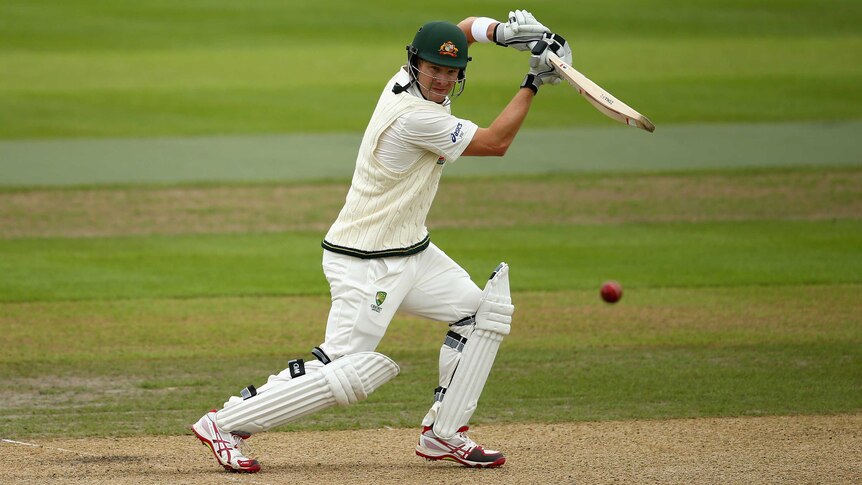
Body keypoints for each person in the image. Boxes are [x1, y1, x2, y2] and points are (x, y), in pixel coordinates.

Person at [192, 10, 571, 473]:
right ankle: (225, 423)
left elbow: (461, 29)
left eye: (452, 72)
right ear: (415, 64)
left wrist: (505, 34)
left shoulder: (408, 78)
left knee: (482, 314)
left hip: (414, 252)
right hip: (364, 261)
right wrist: (533, 78)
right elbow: (495, 143)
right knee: (344, 369)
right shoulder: (414, 116)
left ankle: (443, 432)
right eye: (434, 69)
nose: (442, 80)